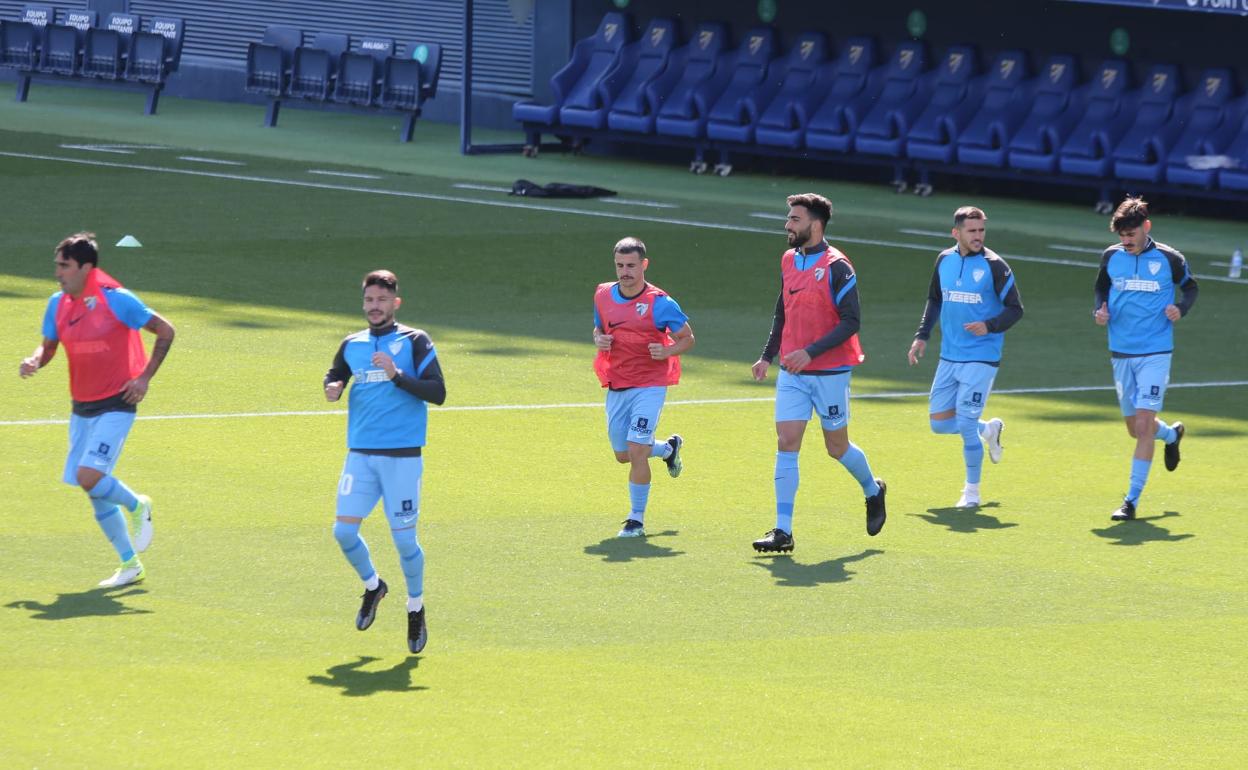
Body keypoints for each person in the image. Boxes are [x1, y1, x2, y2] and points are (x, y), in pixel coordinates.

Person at [19, 232, 174, 587]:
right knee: (93, 488)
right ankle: (130, 564)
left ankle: (138, 505)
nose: (58, 272)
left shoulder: (117, 300)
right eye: (57, 265)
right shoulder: (58, 303)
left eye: (65, 266)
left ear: (86, 268)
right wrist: (35, 360)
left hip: (117, 403)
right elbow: (49, 347)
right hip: (81, 406)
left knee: (90, 476)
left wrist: (144, 378)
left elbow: (165, 330)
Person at [751, 193, 886, 554]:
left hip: (830, 372)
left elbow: (852, 321)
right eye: (789, 218)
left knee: (836, 447)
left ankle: (873, 489)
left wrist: (810, 353)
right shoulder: (788, 260)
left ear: (816, 223)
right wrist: (767, 356)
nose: (787, 225)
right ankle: (783, 531)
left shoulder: (838, 266)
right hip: (793, 372)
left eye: (794, 219)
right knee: (786, 442)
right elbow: (783, 312)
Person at [324, 270, 446, 654]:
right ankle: (374, 585)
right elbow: (336, 372)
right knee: (343, 532)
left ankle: (415, 606)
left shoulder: (415, 341)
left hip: (402, 457)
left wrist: (396, 376)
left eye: (381, 300)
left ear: (396, 303)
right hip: (360, 454)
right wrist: (333, 386)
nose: (374, 307)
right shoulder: (352, 344)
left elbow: (438, 392)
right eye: (369, 301)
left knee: (405, 540)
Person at [907, 206, 1023, 507]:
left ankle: (971, 492)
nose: (978, 236)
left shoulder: (995, 266)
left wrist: (990, 325)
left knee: (966, 421)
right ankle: (990, 429)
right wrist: (922, 335)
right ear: (956, 233)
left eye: (981, 230)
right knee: (939, 423)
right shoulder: (944, 260)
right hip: (949, 355)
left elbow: (1015, 308)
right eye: (972, 231)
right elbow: (935, 299)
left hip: (982, 356)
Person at [1093, 197, 1197, 520]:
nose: (1126, 241)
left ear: (1146, 227)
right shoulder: (1112, 256)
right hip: (1121, 350)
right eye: (1122, 235)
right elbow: (1101, 288)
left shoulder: (1169, 259)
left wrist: (1180, 308)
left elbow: (1190, 288)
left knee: (1141, 424)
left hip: (1156, 351)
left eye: (1131, 234)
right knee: (1136, 429)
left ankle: (1131, 501)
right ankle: (1171, 434)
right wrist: (1100, 310)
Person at [592, 237, 694, 538]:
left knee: (636, 450)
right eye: (620, 266)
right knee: (623, 454)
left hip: (650, 384)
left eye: (631, 266)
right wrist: (598, 339)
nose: (625, 272)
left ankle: (635, 519)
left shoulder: (660, 303)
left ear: (644, 265)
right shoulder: (602, 294)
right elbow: (599, 327)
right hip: (617, 381)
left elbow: (688, 337)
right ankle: (666, 449)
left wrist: (668, 351)